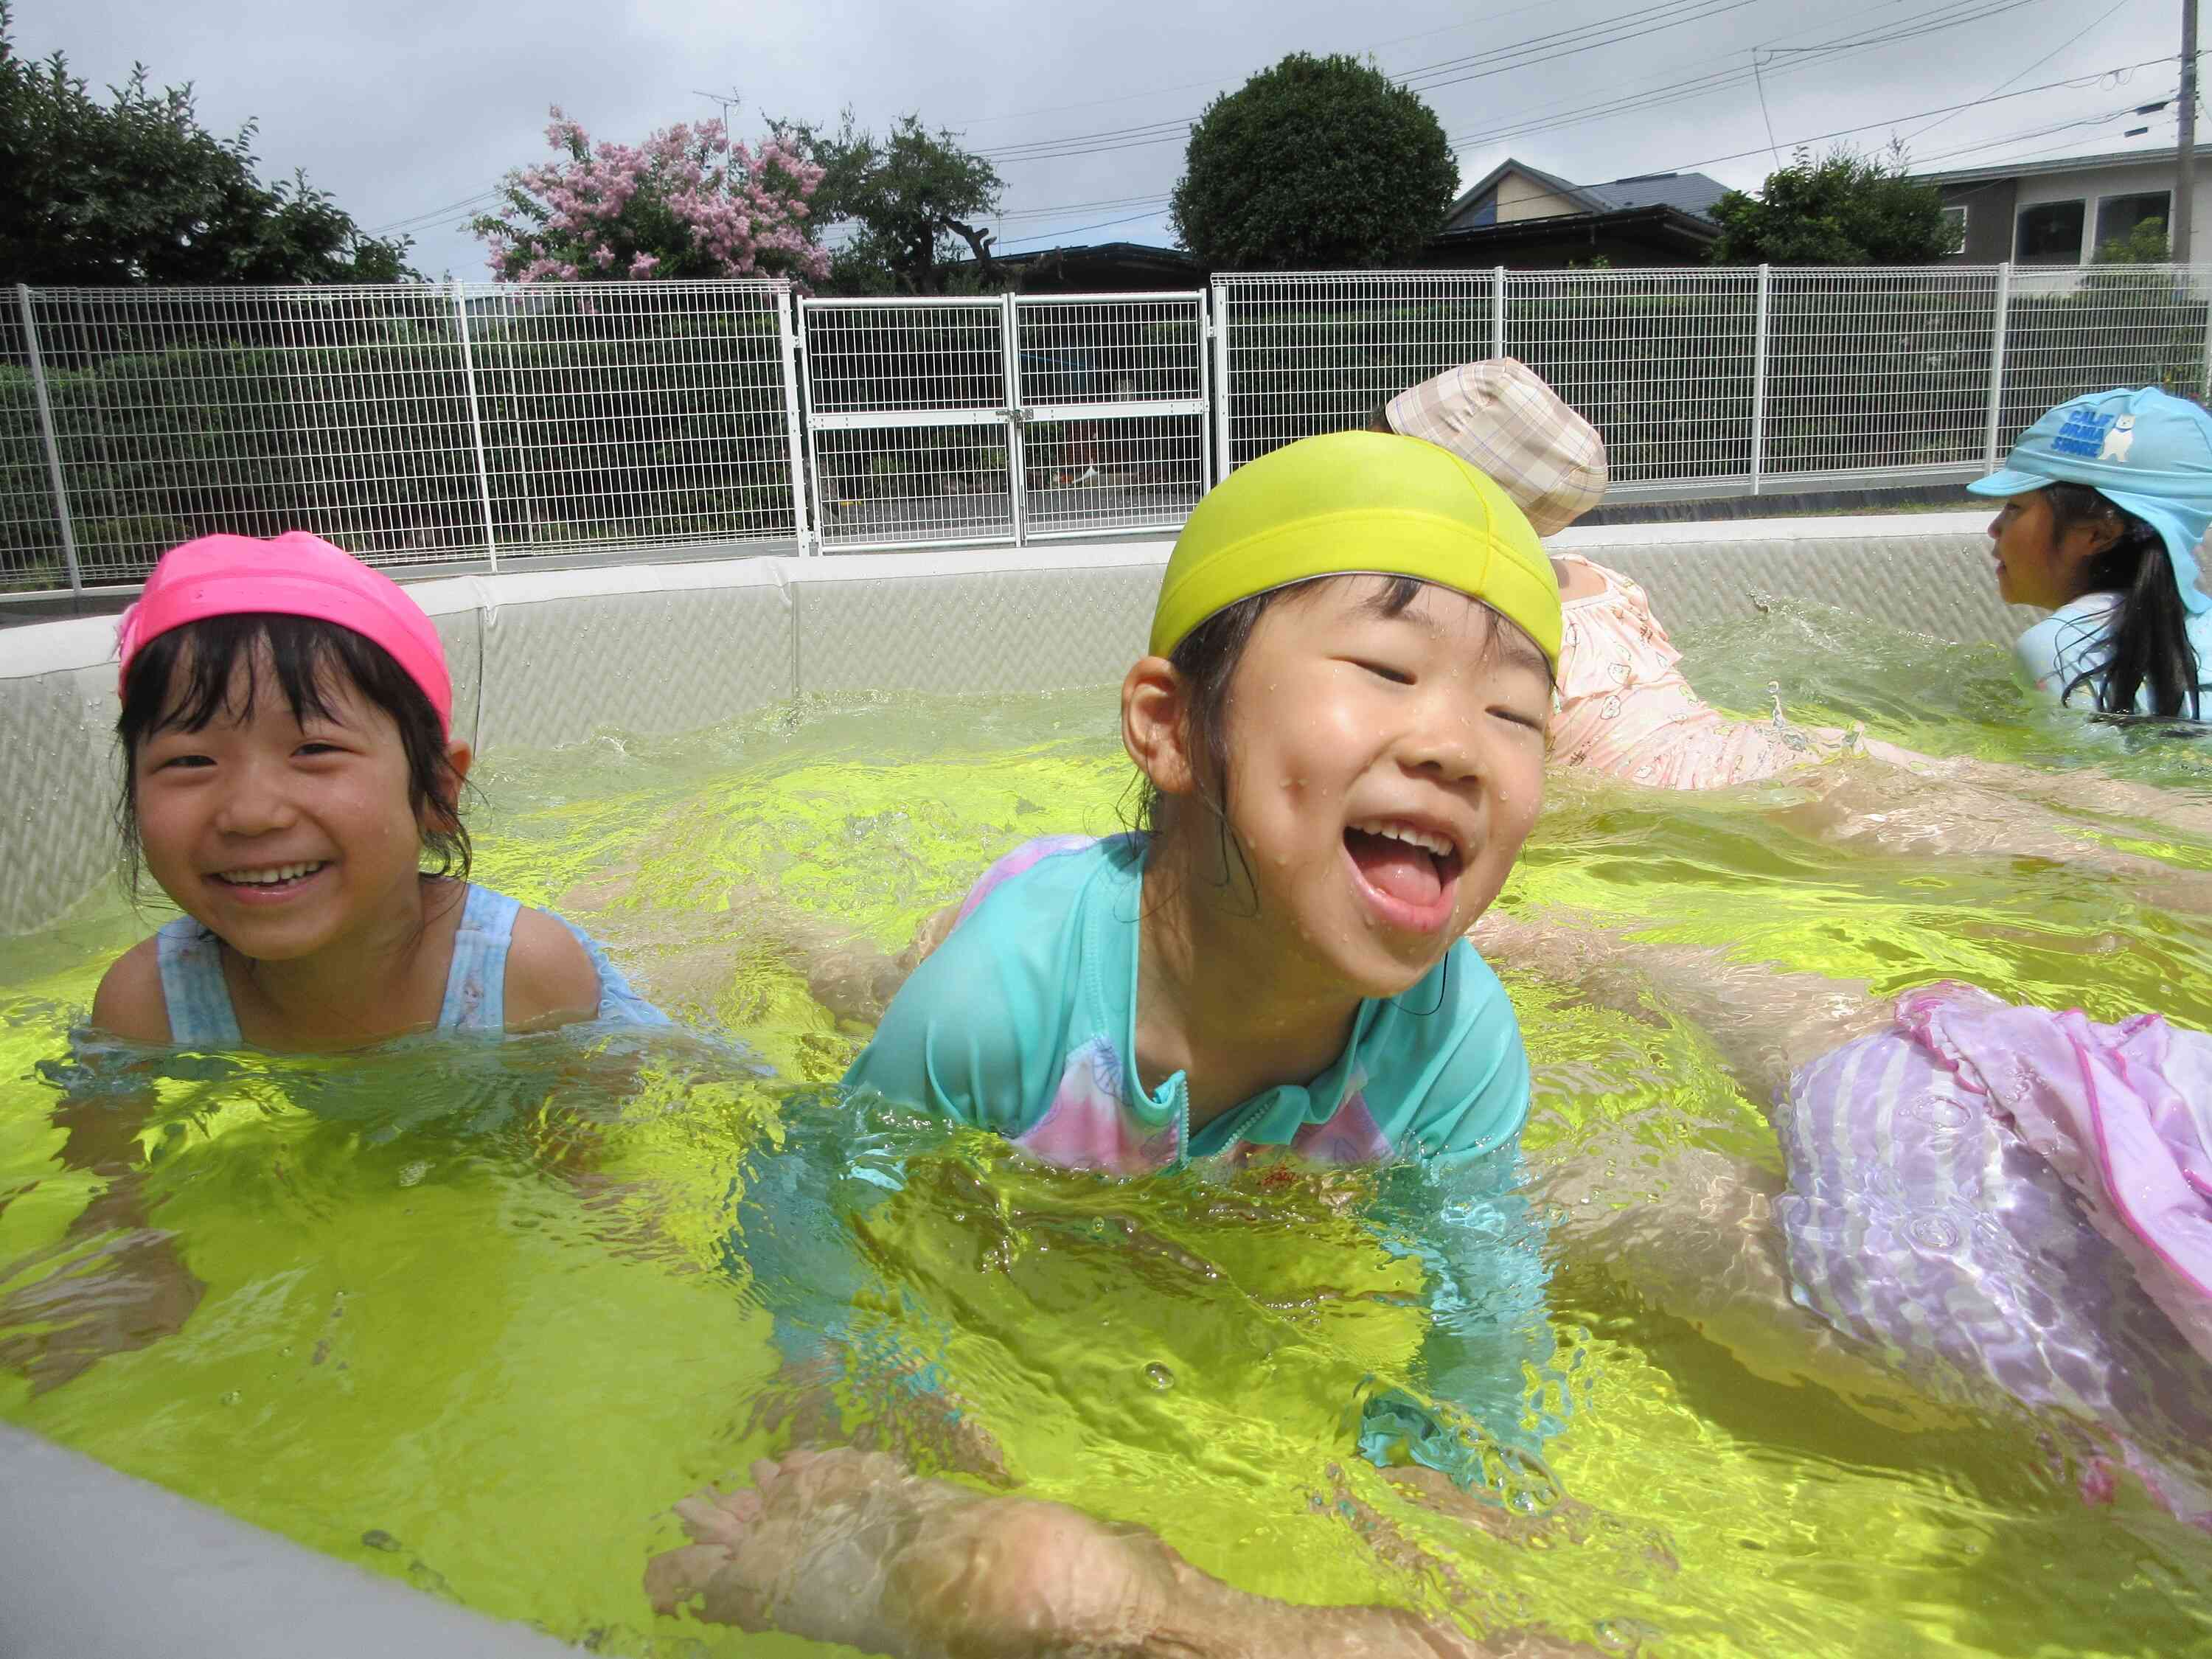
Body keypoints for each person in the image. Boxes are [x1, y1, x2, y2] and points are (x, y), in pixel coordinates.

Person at [650, 432, 1588, 1655]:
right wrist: (852, 1385)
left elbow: (1488, 1306)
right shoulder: (1003, 999)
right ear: (1171, 727)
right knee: (863, 991)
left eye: (1514, 713)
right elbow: (814, 1174)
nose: (1457, 745)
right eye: (1386, 669)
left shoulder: (1458, 1041)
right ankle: (805, 945)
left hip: (1182, 1090)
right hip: (1064, 960)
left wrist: (1455, 1482)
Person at [90, 531, 664, 1051]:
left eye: (313, 750)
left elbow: (597, 1166)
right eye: (191, 760)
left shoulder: (527, 977)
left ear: (434, 790)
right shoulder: (146, 1007)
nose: (251, 814)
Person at [1969, 385, 2212, 720]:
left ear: (2097, 534)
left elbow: (2087, 773)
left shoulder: (2060, 651)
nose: (1994, 528)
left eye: (2014, 506)